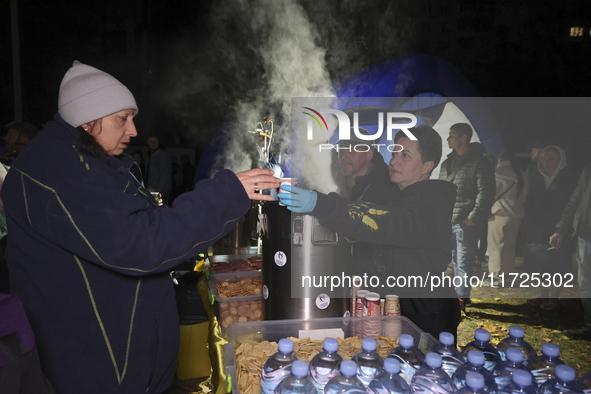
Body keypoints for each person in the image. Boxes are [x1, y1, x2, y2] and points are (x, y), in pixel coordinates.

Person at [1, 60, 280, 394]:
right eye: (123, 118)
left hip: (118, 367)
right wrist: (228, 192)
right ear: (88, 121)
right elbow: (142, 243)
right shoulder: (60, 172)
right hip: (97, 373)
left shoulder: (88, 162)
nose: (133, 130)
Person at [278, 126, 461, 340]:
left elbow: (385, 224)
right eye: (394, 153)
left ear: (427, 167)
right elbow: (368, 222)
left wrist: (321, 204)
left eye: (405, 155)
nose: (394, 161)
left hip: (427, 317)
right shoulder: (393, 197)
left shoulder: (431, 208)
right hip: (393, 311)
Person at [438, 123, 496, 308]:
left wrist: (473, 217)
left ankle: (462, 297)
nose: (448, 139)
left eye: (452, 135)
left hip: (465, 221)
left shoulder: (480, 162)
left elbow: (486, 192)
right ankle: (457, 293)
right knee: (454, 260)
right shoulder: (448, 162)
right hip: (449, 220)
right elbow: (441, 189)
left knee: (464, 261)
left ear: (464, 138)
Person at [523, 145, 577, 311]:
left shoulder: (568, 178)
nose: (546, 163)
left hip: (559, 228)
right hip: (537, 227)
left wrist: (561, 228)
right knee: (541, 262)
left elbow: (571, 205)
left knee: (558, 263)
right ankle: (543, 293)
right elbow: (529, 200)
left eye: (551, 159)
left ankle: (554, 296)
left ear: (560, 160)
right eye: (544, 159)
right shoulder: (535, 176)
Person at [550, 164, 591, 339]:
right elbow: (576, 200)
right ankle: (589, 324)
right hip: (586, 234)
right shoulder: (588, 169)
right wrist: (561, 229)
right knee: (585, 282)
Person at [485, 151, 528, 287]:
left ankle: (495, 277)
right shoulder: (520, 173)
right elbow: (524, 192)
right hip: (517, 211)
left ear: (500, 159)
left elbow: (491, 191)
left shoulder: (498, 172)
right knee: (510, 246)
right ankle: (507, 276)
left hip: (500, 211)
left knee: (496, 245)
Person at [145, 135, 173, 204]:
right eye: (151, 142)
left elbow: (165, 175)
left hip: (160, 190)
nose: (154, 144)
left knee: (158, 210)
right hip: (152, 189)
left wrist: (158, 192)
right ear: (148, 143)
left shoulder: (162, 155)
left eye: (156, 142)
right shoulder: (149, 155)